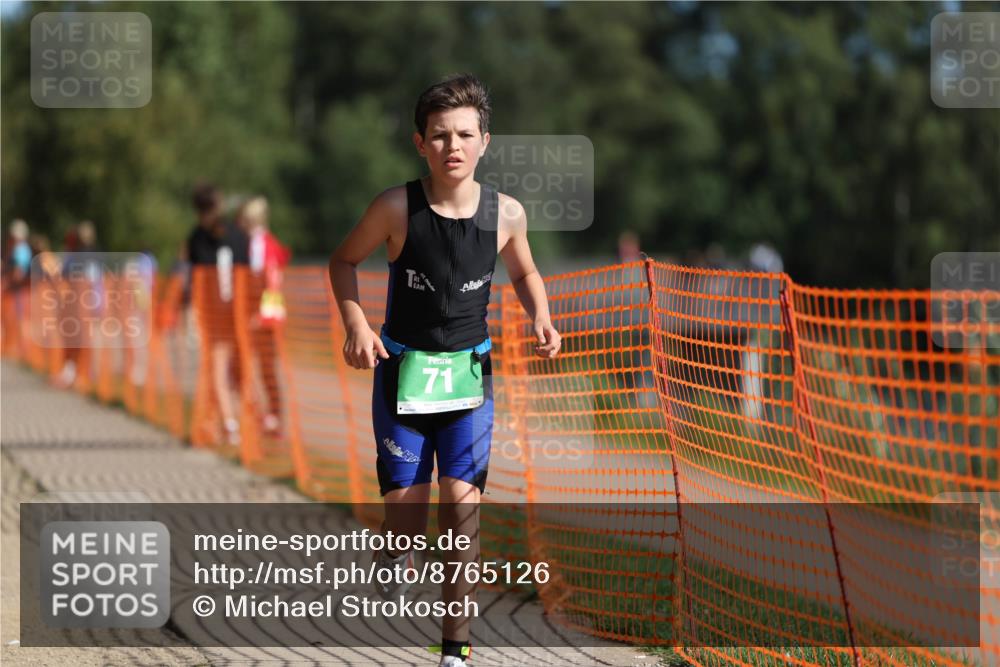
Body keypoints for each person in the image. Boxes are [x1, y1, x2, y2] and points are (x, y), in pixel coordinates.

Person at [329, 74, 561, 667]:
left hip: (468, 380)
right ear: (419, 143)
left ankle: (455, 649)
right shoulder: (393, 207)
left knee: (462, 506)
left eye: (463, 134)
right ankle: (394, 551)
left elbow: (526, 272)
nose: (451, 146)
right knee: (407, 517)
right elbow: (344, 261)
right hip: (403, 374)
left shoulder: (506, 213)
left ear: (485, 140)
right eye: (438, 136)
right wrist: (356, 325)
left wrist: (541, 314)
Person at [186, 183, 250, 446]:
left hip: (220, 312)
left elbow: (197, 279)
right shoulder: (236, 234)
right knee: (231, 369)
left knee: (224, 370)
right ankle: (230, 421)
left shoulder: (198, 238)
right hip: (234, 311)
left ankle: (232, 423)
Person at [237, 195, 290, 436]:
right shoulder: (267, 241)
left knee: (265, 367)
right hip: (269, 312)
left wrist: (258, 313)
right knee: (261, 366)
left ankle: (273, 416)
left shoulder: (259, 243)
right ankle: (269, 414)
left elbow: (265, 281)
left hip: (265, 314)